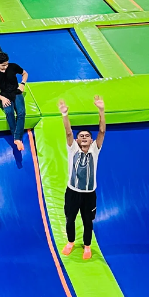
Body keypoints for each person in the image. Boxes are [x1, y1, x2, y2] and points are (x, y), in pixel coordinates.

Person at [59, 96, 106, 260]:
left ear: (91, 140)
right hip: (72, 192)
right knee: (70, 219)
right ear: (77, 140)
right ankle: (70, 242)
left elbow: (102, 131)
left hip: (89, 194)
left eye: (87, 136)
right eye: (81, 136)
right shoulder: (72, 149)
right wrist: (65, 114)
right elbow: (68, 132)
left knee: (88, 221)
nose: (84, 137)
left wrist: (101, 110)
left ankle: (87, 245)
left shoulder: (95, 149)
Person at [0, 52, 28, 151]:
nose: (5, 67)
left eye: (6, 64)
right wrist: (2, 98)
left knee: (21, 113)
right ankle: (17, 138)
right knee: (9, 112)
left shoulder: (13, 66)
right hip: (4, 95)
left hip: (16, 92)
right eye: (3, 65)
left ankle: (17, 138)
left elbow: (25, 73)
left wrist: (22, 83)